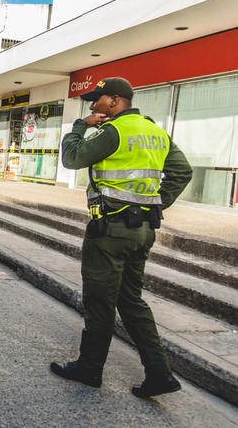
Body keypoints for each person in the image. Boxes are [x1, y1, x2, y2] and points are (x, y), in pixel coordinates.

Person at [51, 77, 193, 398]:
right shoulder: (156, 132)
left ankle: (89, 369)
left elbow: (72, 158)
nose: (92, 106)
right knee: (131, 300)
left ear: (114, 101)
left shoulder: (113, 130)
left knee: (101, 301)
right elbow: (183, 171)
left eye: (97, 100)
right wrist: (152, 205)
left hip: (110, 230)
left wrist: (79, 125)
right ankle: (160, 374)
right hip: (143, 231)